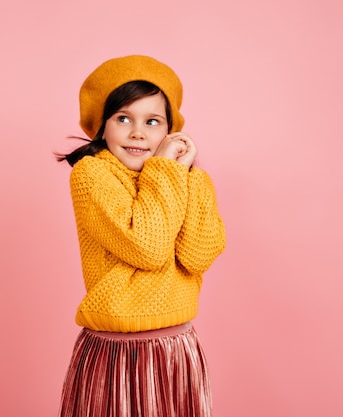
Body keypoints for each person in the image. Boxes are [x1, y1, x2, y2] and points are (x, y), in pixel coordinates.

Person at [56, 55, 226, 417]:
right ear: (102, 127)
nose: (138, 132)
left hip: (175, 347)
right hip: (116, 352)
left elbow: (197, 255)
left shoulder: (187, 179)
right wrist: (165, 168)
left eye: (152, 121)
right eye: (123, 119)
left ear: (170, 131)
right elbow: (147, 248)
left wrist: (185, 175)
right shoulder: (92, 175)